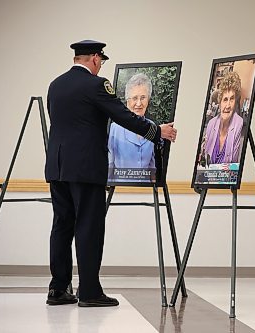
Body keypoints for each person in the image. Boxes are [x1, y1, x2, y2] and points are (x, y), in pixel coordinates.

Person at [45, 40, 177, 307]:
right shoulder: (96, 84)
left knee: (62, 226)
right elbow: (122, 115)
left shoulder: (55, 85)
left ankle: (58, 289)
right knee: (89, 227)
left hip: (57, 168)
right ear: (94, 58)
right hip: (85, 169)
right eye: (101, 61)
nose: (100, 66)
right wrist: (156, 131)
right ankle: (90, 292)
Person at [108, 73, 156, 182]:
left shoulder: (152, 126)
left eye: (143, 97)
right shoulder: (115, 128)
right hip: (122, 192)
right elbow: (110, 163)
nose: (139, 103)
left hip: (146, 192)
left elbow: (152, 166)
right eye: (135, 98)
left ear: (148, 100)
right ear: (127, 101)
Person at [201, 71, 244, 165]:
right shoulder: (211, 124)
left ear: (235, 102)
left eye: (231, 99)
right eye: (225, 99)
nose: (228, 105)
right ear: (219, 102)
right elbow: (205, 160)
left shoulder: (240, 124)